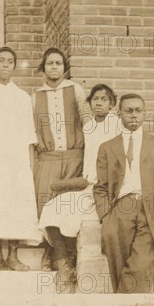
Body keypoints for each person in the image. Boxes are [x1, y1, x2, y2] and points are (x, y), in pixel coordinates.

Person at [94, 93, 154, 293]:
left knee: (138, 271)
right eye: (128, 111)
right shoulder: (107, 148)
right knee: (118, 273)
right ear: (119, 114)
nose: (134, 115)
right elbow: (100, 187)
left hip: (152, 214)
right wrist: (105, 217)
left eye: (138, 110)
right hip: (119, 213)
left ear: (144, 114)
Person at [37, 83, 121, 293]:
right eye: (95, 99)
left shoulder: (118, 126)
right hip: (89, 188)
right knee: (52, 208)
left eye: (104, 99)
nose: (99, 103)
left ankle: (67, 263)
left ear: (111, 104)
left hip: (109, 191)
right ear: (90, 103)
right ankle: (64, 264)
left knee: (75, 218)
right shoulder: (89, 127)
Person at [0, 47, 42, 271]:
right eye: (1, 61)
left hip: (17, 161)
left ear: (14, 66)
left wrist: (30, 166)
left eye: (10, 61)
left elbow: (29, 134)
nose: (5, 65)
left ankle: (13, 254)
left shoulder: (22, 97)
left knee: (16, 205)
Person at [31, 47, 91, 285]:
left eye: (58, 63)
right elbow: (32, 129)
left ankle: (68, 253)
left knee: (69, 204)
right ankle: (51, 250)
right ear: (43, 68)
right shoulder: (35, 96)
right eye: (49, 63)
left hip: (75, 156)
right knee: (46, 201)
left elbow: (87, 121)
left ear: (64, 67)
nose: (53, 67)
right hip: (49, 158)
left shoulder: (75, 90)